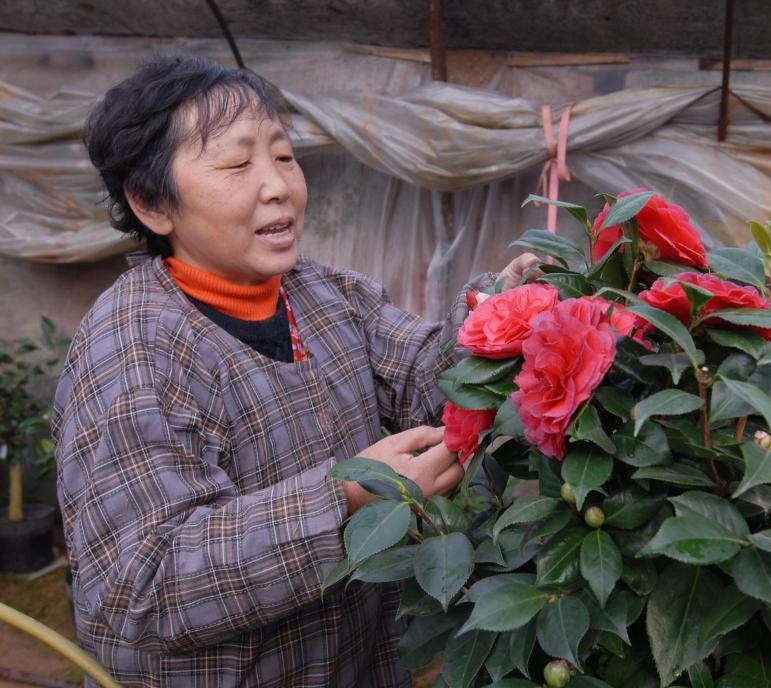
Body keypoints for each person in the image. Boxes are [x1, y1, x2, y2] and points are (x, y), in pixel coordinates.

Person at [52, 55, 538, 687]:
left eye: (283, 156)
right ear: (151, 203)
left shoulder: (326, 294)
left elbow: (426, 375)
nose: (277, 185)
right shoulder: (131, 348)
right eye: (235, 163)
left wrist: (498, 315)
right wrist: (350, 496)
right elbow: (144, 584)